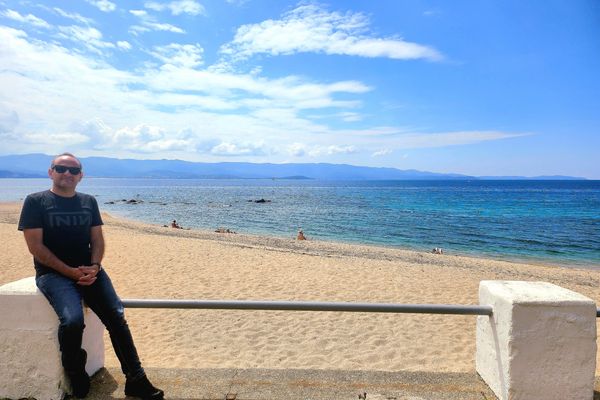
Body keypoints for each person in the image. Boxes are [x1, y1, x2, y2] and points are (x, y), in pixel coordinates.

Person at [17, 153, 164, 399]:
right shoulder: (36, 201)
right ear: (50, 172)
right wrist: (70, 272)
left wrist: (95, 265)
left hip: (90, 270)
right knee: (73, 320)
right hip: (53, 274)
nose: (67, 174)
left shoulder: (88, 201)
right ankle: (75, 370)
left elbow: (97, 238)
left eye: (73, 171)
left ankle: (136, 378)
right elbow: (35, 247)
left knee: (116, 317)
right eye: (61, 168)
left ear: (81, 176)